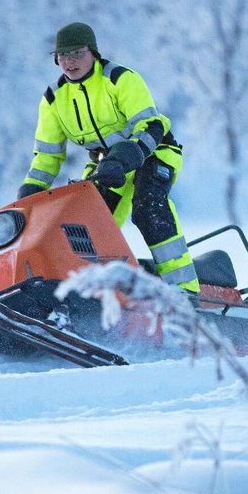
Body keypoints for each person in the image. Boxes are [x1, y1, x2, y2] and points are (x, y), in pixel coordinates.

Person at [17, 22, 199, 293]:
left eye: (77, 53)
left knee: (148, 207)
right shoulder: (54, 99)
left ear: (94, 53)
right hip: (107, 164)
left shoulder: (120, 79)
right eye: (63, 56)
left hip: (154, 151)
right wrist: (31, 192)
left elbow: (152, 126)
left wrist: (128, 155)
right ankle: (91, 295)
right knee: (84, 224)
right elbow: (47, 156)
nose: (70, 62)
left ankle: (185, 293)